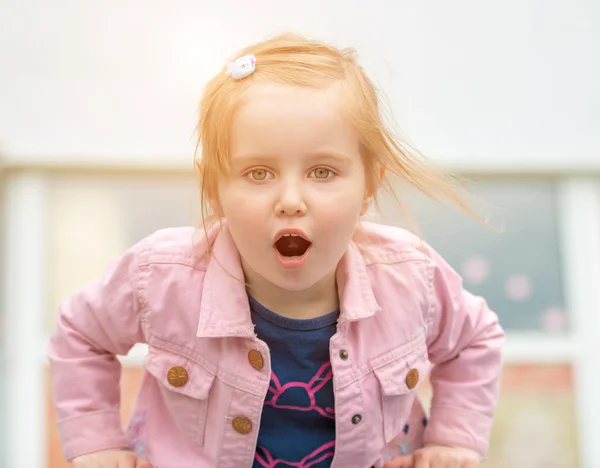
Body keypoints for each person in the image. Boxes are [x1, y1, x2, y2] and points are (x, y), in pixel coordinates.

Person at [48, 33, 505, 468]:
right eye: (259, 173)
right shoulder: (162, 276)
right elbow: (81, 334)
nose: (290, 199)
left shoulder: (410, 277)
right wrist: (96, 442)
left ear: (370, 186)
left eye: (323, 172)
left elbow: (474, 339)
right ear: (213, 187)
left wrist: (453, 438)